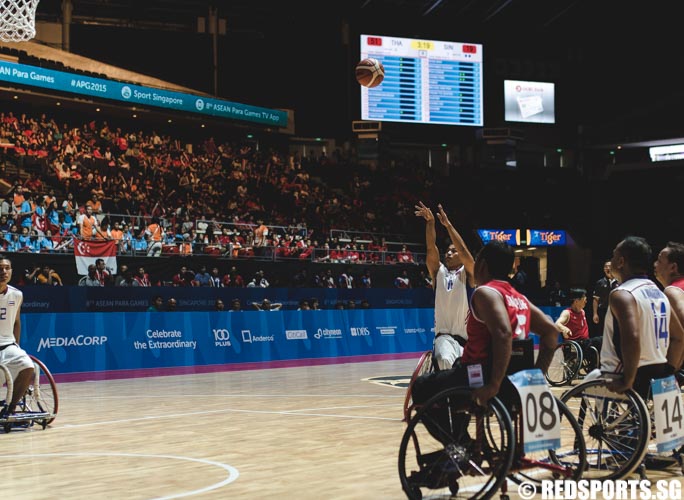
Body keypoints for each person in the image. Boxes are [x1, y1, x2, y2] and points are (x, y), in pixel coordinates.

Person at [412, 240, 559, 407]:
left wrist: (494, 384)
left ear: (481, 265)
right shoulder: (520, 298)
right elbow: (551, 332)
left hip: (479, 376)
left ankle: (456, 434)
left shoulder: (485, 293)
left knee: (420, 386)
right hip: (518, 379)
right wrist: (535, 378)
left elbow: (503, 334)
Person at [598, 236, 684, 397]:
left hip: (623, 373)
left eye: (614, 256)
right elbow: (679, 337)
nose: (611, 260)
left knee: (590, 380)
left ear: (621, 262)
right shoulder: (658, 293)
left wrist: (627, 380)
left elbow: (632, 337)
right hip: (657, 373)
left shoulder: (622, 294)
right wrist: (669, 371)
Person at [415, 201, 476, 371]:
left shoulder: (469, 272)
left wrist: (448, 226)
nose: (449, 253)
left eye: (453, 250)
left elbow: (463, 250)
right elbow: (430, 248)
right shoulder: (438, 272)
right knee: (443, 359)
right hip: (444, 338)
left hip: (467, 341)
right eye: (447, 251)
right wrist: (430, 223)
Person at [0, 254, 35, 418]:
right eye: (0, 269)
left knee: (28, 366)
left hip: (8, 346)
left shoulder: (17, 294)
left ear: (11, 271)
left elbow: (16, 322)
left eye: (7, 268)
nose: (4, 272)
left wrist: (17, 346)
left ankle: (10, 409)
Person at [653, 241, 684, 373]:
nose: (655, 264)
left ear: (673, 268)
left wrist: (673, 368)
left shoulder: (672, 291)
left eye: (659, 261)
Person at [591, 260, 618, 338]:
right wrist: (595, 314)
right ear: (603, 269)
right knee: (602, 332)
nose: (608, 268)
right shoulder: (600, 282)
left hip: (615, 311)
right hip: (603, 311)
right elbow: (596, 299)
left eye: (609, 266)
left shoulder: (619, 281)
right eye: (606, 267)